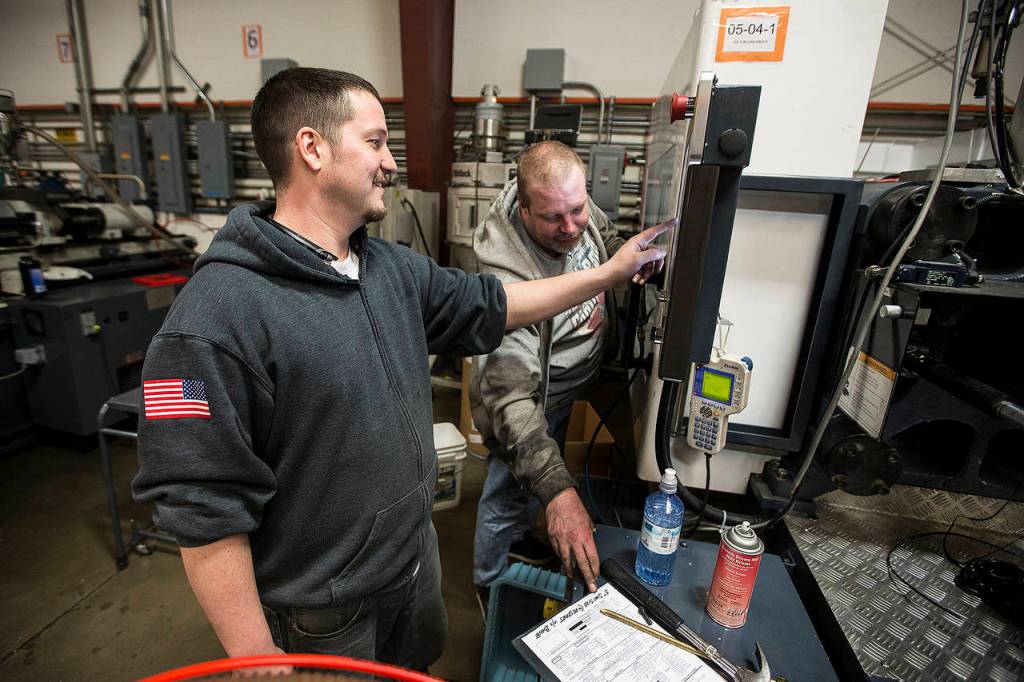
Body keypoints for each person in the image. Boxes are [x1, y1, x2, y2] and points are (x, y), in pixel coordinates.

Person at [132, 68, 670, 671]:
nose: (391, 163)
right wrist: (253, 652)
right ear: (312, 148)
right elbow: (200, 501)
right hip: (322, 611)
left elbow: (497, 304)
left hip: (411, 569)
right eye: (376, 142)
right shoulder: (211, 319)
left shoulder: (389, 268)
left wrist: (608, 274)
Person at [471, 142, 669, 607]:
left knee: (527, 487)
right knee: (506, 489)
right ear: (524, 208)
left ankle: (520, 538)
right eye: (553, 219)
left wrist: (635, 261)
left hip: (566, 387)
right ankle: (489, 581)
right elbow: (512, 401)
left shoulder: (569, 202)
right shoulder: (507, 280)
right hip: (529, 404)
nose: (570, 227)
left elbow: (603, 236)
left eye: (576, 210)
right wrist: (558, 492)